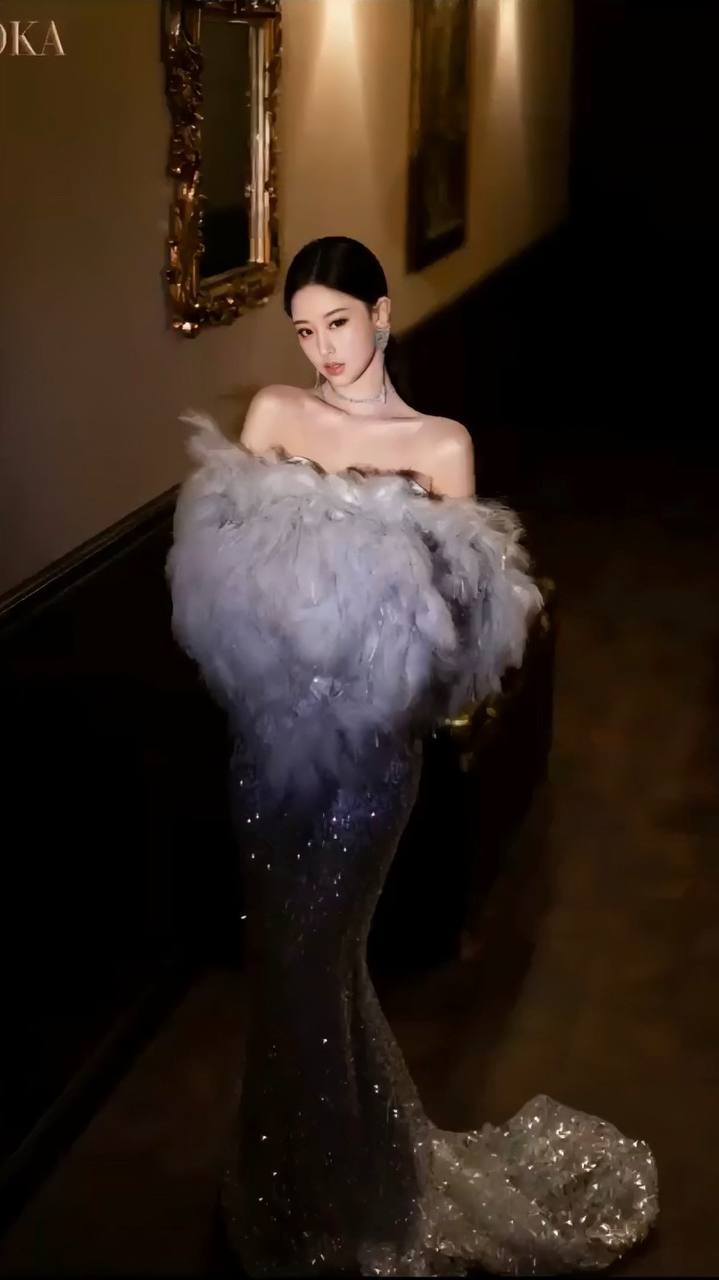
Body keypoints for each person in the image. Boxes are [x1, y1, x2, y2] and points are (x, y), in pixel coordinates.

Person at [166, 237, 658, 1277]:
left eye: (338, 323)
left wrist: (383, 613)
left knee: (320, 955)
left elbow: (461, 637)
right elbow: (224, 591)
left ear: (381, 314)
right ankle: (291, 1181)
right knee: (282, 962)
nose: (322, 349)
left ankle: (355, 1199)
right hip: (267, 746)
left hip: (372, 761)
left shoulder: (438, 445)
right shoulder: (274, 414)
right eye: (304, 330)